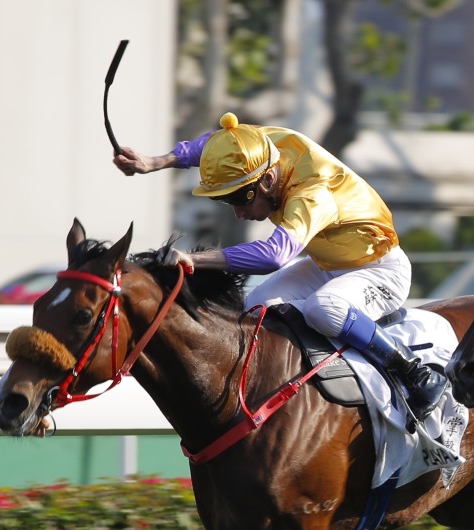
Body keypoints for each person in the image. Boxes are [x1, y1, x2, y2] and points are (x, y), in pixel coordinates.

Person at [113, 112, 447, 422]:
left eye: (241, 198)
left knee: (323, 309)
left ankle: (413, 373)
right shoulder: (261, 146)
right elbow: (214, 144)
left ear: (269, 179)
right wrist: (154, 162)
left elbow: (275, 256)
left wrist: (197, 259)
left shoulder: (313, 191)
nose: (238, 213)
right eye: (226, 200)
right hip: (327, 263)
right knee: (257, 306)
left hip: (380, 270)